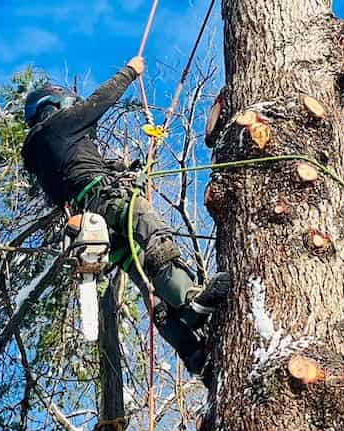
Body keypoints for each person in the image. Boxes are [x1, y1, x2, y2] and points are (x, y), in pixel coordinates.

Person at [21, 56, 229, 374]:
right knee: (150, 228)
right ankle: (190, 300)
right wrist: (129, 72)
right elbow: (99, 101)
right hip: (106, 200)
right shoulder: (59, 125)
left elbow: (77, 170)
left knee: (144, 278)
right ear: (55, 105)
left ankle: (194, 353)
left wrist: (123, 170)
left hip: (95, 223)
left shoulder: (44, 154)